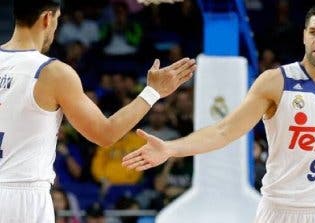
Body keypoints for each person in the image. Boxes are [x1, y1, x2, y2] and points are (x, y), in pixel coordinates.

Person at [123, 3, 315, 223]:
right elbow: (223, 131)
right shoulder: (275, 82)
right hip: (282, 209)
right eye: (313, 32)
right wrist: (169, 148)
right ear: (304, 36)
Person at [0, 0, 196, 222]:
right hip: (22, 199)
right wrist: (153, 92)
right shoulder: (53, 73)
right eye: (57, 20)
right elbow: (106, 133)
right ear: (47, 18)